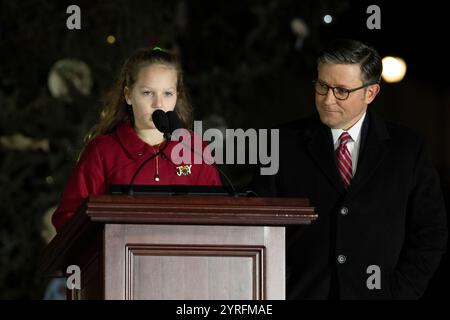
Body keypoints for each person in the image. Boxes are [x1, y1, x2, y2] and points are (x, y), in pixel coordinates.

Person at [251, 39, 447, 299]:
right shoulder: (279, 143)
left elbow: (430, 232)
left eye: (342, 90)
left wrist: (400, 292)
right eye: (322, 86)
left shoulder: (408, 150)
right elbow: (256, 226)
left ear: (371, 93)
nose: (328, 99)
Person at [52, 47, 221, 232]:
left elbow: (217, 212)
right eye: (147, 93)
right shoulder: (103, 151)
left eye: (167, 93)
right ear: (128, 95)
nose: (158, 104)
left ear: (177, 96)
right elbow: (68, 217)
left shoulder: (193, 148)